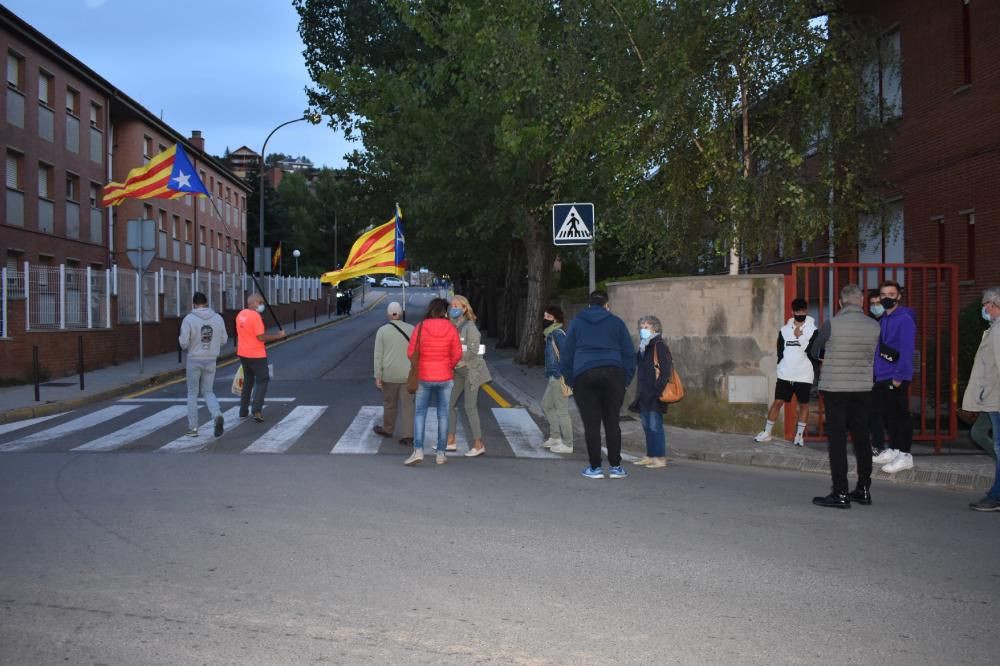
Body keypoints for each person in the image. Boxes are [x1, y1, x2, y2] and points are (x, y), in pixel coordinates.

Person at [808, 284, 880, 509]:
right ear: (861, 302)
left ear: (840, 303)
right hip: (863, 388)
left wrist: (827, 357)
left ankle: (840, 492)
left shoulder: (832, 324)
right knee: (862, 439)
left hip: (836, 388)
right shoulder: (874, 325)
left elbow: (814, 350)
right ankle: (864, 489)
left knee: (837, 440)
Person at [559, 290, 636, 479]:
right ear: (606, 305)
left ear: (589, 305)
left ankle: (595, 468)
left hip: (584, 374)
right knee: (612, 422)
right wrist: (624, 379)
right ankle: (616, 467)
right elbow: (629, 353)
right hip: (613, 372)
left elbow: (566, 353)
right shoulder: (616, 322)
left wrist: (571, 379)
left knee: (591, 424)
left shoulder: (577, 322)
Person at [404, 298, 462, 466]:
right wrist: (448, 366)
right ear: (444, 312)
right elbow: (457, 353)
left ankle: (419, 450)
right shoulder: (451, 328)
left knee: (420, 413)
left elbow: (410, 352)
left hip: (423, 376)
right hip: (445, 377)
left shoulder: (420, 327)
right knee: (443, 414)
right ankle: (441, 454)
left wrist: (421, 364)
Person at [754, 298, 818, 447]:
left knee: (804, 405)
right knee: (777, 402)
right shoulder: (784, 330)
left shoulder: (813, 330)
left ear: (806, 311)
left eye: (802, 311)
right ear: (793, 311)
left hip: (803, 375)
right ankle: (767, 432)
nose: (800, 314)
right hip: (785, 375)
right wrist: (781, 366)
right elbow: (780, 351)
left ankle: (799, 436)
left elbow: (812, 351)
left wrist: (799, 337)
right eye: (797, 311)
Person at [871, 280, 918, 473]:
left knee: (900, 416)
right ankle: (894, 449)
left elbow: (907, 350)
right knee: (889, 416)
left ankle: (905, 455)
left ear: (898, 296)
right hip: (882, 375)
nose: (887, 298)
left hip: (895, 376)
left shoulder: (904, 319)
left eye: (891, 294)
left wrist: (899, 376)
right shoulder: (883, 319)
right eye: (884, 295)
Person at [963, 287, 1000, 511]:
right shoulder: (993, 329)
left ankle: (996, 496)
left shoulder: (998, 332)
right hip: (990, 397)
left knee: (998, 444)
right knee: (978, 432)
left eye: (986, 303)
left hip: (995, 398)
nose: (983, 307)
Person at [446, 295, 492, 457]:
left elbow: (475, 351)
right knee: (449, 403)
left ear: (465, 308)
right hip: (459, 371)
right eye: (452, 305)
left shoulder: (470, 327)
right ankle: (450, 441)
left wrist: (459, 359)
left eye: (457, 305)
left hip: (472, 371)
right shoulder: (452, 325)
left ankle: (478, 444)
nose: (453, 308)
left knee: (469, 407)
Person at [178, 291, 228, 438]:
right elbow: (224, 340)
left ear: (193, 304)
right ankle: (217, 414)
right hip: (211, 359)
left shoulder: (189, 319)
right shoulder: (218, 318)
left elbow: (184, 343)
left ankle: (193, 428)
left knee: (192, 393)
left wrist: (181, 340)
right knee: (208, 391)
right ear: (206, 303)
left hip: (194, 359)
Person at [628, 315, 671, 469]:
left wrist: (657, 390)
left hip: (653, 393)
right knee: (647, 425)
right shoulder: (645, 345)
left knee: (655, 426)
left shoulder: (658, 345)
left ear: (655, 328)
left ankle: (660, 458)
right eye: (641, 327)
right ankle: (650, 455)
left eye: (646, 327)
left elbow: (666, 370)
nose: (642, 330)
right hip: (644, 392)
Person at [236, 293, 286, 422]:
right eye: (260, 302)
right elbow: (261, 337)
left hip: (243, 353)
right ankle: (256, 410)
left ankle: (243, 410)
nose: (262, 305)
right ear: (253, 303)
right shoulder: (255, 316)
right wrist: (278, 336)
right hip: (256, 355)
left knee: (248, 381)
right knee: (262, 380)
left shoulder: (241, 314)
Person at [373, 301, 415, 446]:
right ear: (401, 313)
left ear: (388, 314)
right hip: (407, 374)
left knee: (389, 404)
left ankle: (388, 429)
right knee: (408, 405)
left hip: (389, 374)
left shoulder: (382, 331)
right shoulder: (412, 329)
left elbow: (378, 355)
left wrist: (378, 375)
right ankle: (408, 435)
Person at [541, 305, 574, 454]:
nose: (544, 319)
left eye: (548, 317)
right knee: (546, 405)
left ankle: (568, 444)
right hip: (553, 375)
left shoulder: (557, 333)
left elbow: (567, 355)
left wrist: (561, 374)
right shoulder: (550, 334)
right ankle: (555, 437)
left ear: (555, 318)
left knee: (561, 410)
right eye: (544, 316)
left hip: (558, 376)